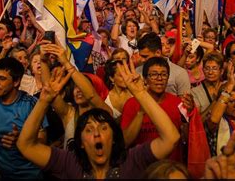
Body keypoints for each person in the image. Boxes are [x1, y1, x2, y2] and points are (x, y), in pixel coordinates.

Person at [16, 59, 180, 179]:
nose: (96, 134)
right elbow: (26, 145)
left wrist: (141, 93)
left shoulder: (131, 161)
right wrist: (44, 101)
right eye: (88, 129)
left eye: (103, 128)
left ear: (114, 138)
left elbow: (171, 138)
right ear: (80, 141)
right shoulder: (70, 162)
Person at [0, 57, 48, 179]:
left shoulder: (31, 104)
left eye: (2, 79)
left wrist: (22, 141)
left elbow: (42, 140)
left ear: (16, 81)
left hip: (29, 174)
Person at [38, 43, 112, 150]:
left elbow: (91, 95)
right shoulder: (69, 114)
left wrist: (66, 62)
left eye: (82, 87)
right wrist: (43, 61)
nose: (78, 90)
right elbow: (48, 89)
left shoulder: (104, 114)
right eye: (75, 87)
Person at [121, 57, 189, 162]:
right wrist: (141, 112)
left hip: (170, 167)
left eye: (163, 74)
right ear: (144, 78)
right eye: (153, 74)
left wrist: (189, 115)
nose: (159, 78)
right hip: (142, 166)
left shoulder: (178, 103)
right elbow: (125, 141)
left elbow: (186, 139)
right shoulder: (131, 104)